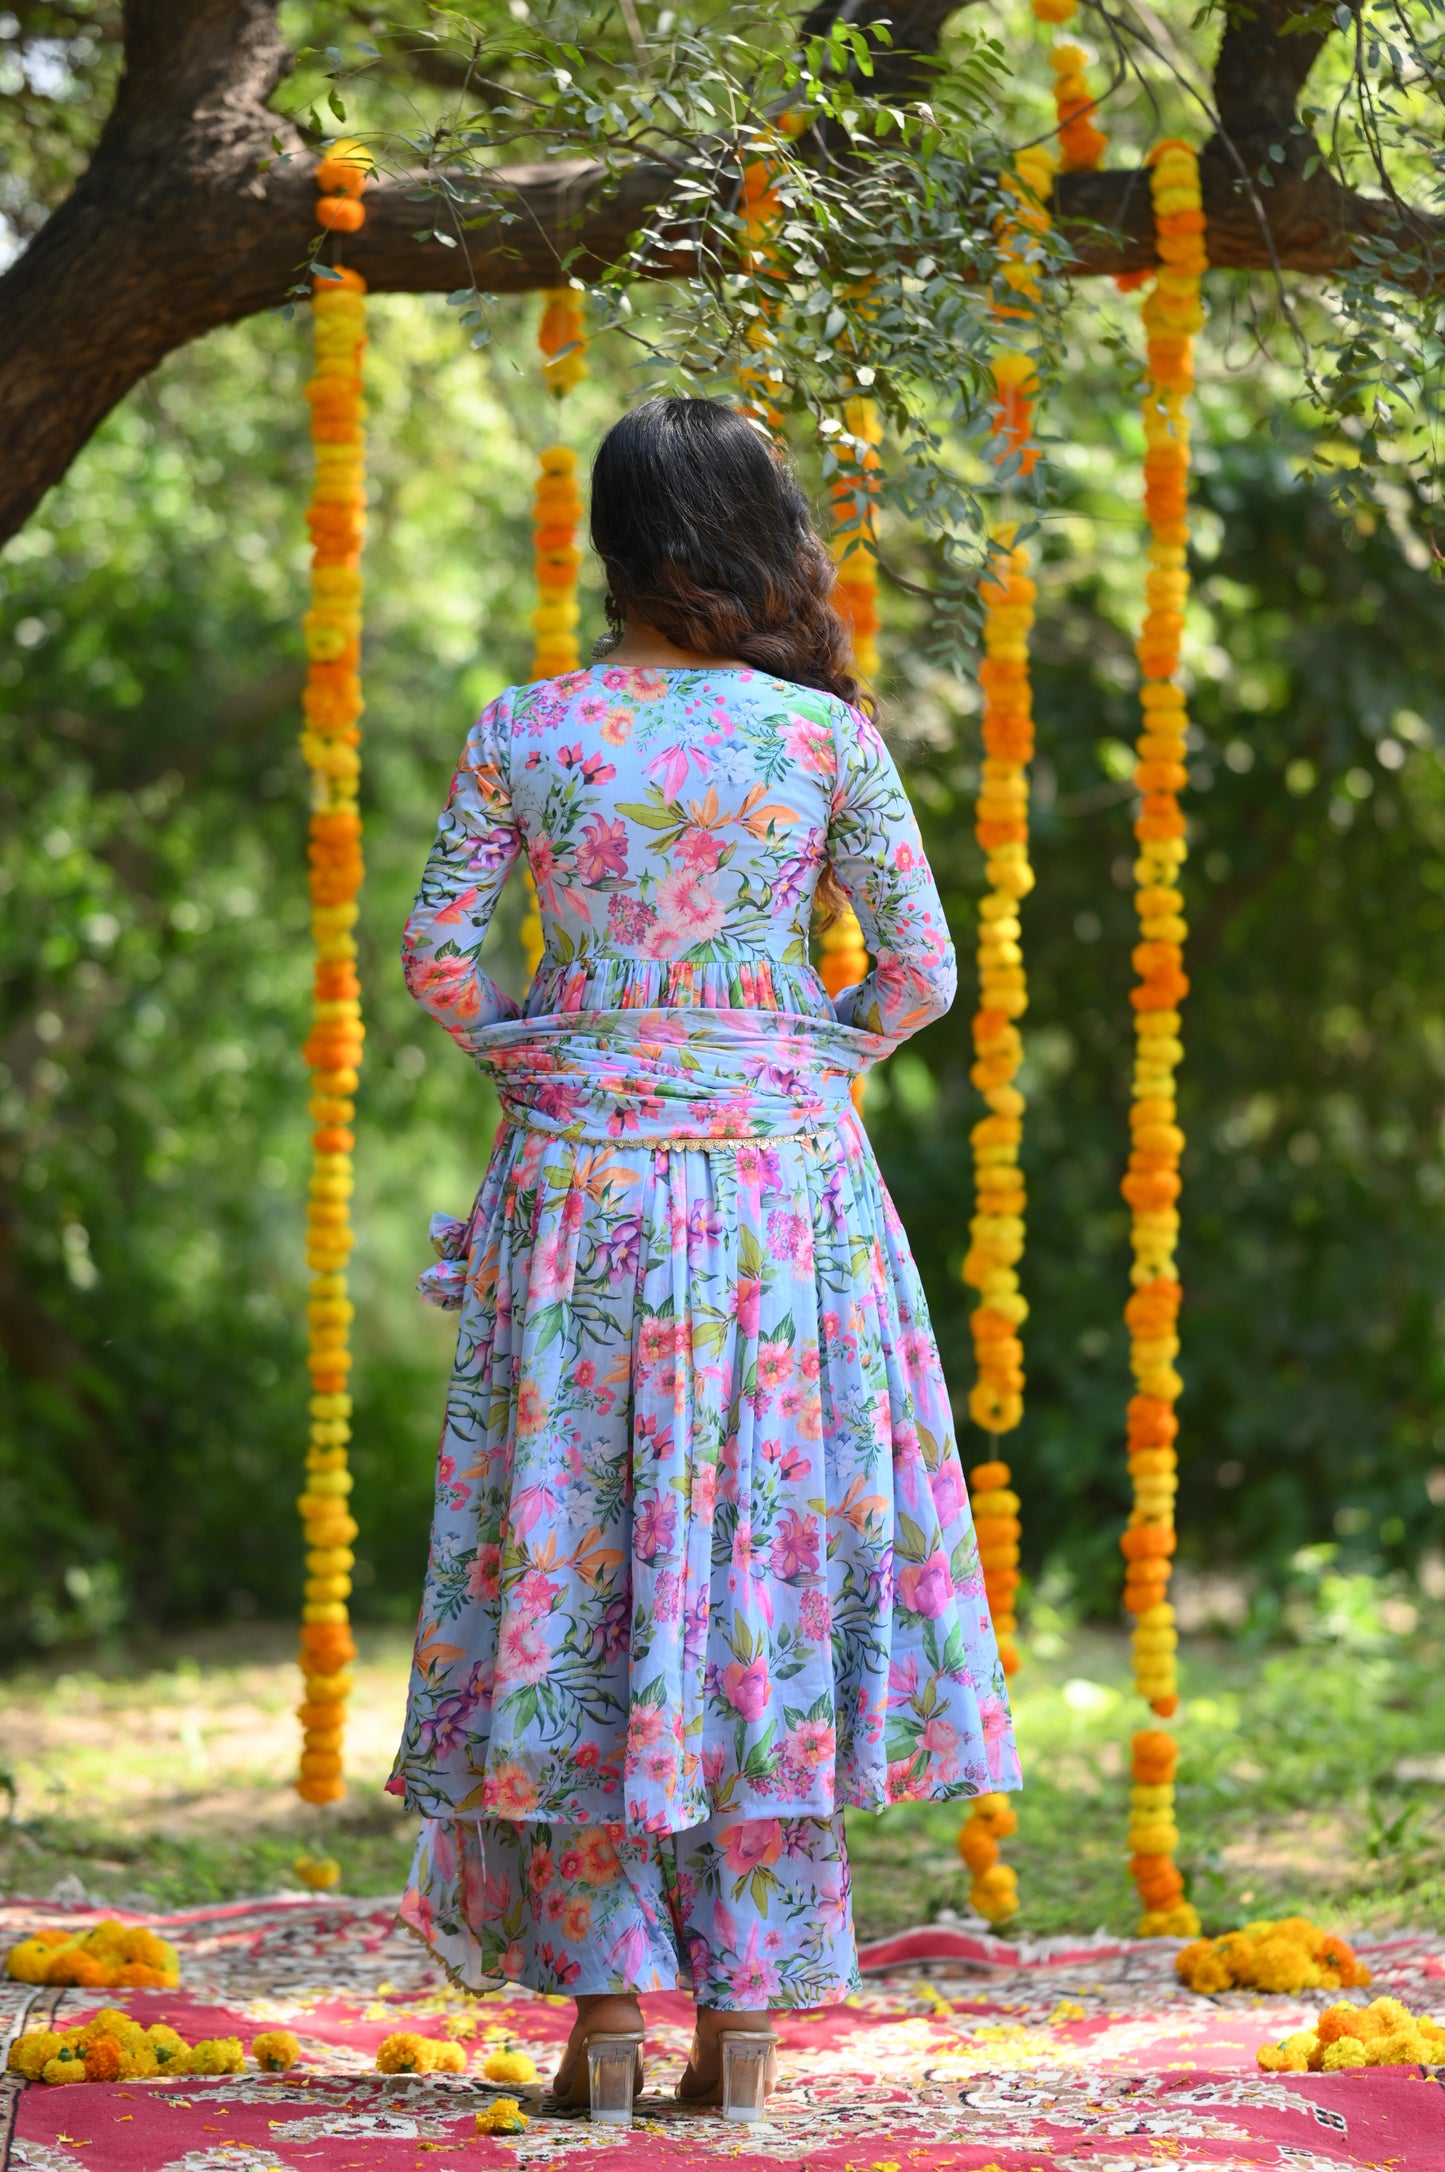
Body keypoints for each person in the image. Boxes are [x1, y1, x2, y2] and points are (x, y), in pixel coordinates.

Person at [386, 395, 1020, 2119]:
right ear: (758, 536)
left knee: (579, 1559)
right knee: (759, 1569)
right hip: (776, 1203)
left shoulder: (526, 730)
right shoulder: (819, 744)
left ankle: (599, 2024)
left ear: (608, 546)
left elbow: (444, 964)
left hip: (581, 1184)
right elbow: (915, 976)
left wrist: (568, 1050)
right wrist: (776, 1061)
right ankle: (743, 2030)